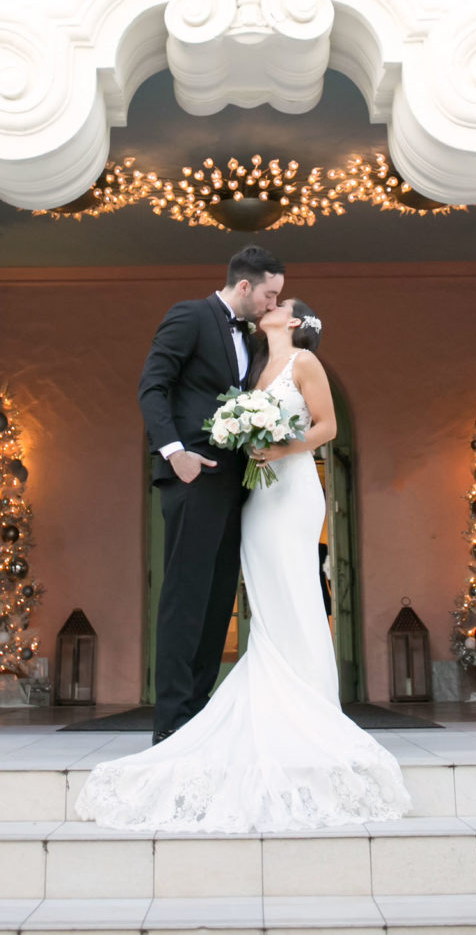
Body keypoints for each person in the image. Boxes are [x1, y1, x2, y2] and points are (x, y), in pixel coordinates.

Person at [77, 298, 413, 832]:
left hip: (293, 488)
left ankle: (314, 709)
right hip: (258, 496)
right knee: (263, 594)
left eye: (282, 304)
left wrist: (281, 450)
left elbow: (327, 428)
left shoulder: (306, 363)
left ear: (297, 323)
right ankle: (271, 702)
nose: (270, 306)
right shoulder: (256, 370)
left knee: (294, 589)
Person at [139, 245, 286, 744]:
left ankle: (198, 716)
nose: (271, 305)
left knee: (217, 597)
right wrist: (174, 452)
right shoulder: (189, 316)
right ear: (243, 286)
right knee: (186, 597)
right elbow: (152, 386)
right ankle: (171, 722)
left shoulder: (248, 336)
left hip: (233, 484)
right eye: (269, 295)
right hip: (193, 475)